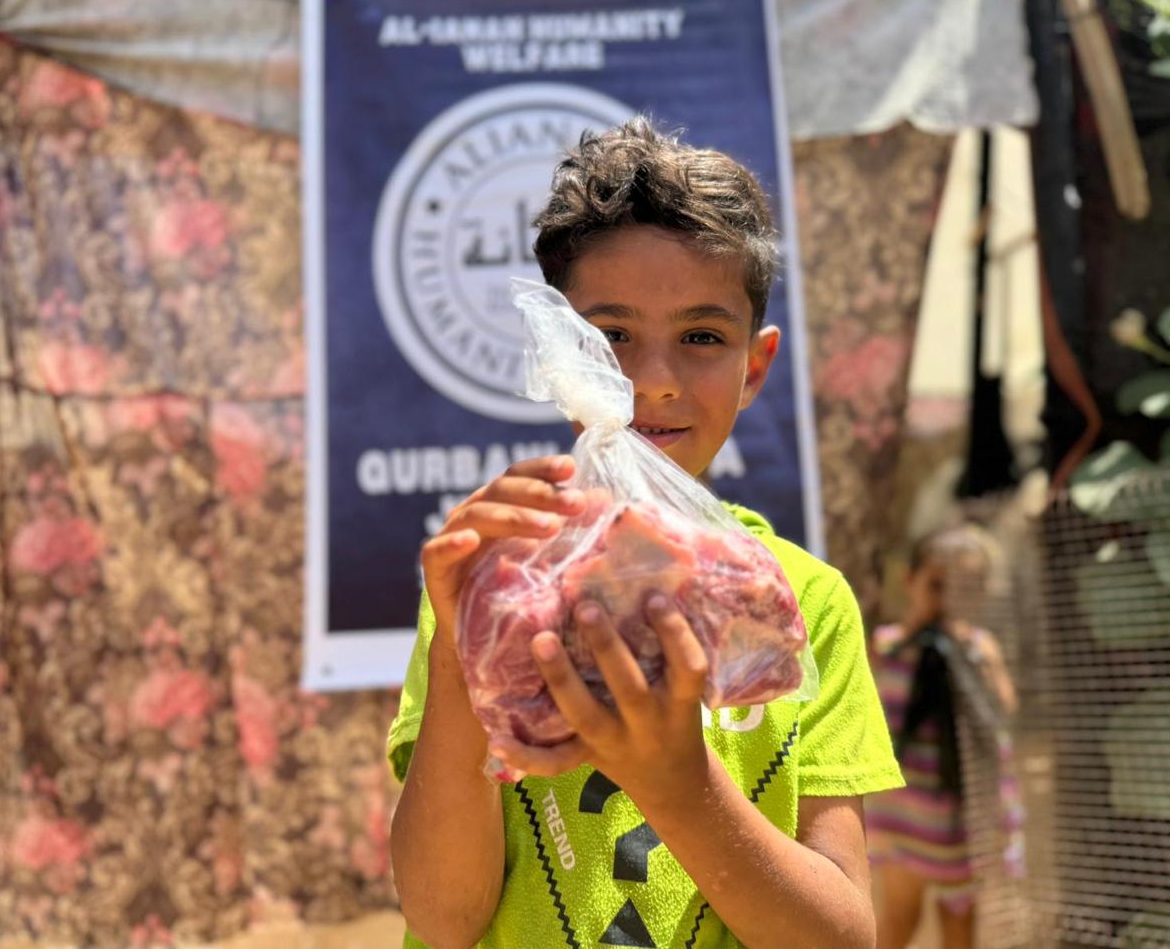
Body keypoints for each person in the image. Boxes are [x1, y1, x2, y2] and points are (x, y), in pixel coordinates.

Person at [388, 117, 904, 949]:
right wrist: (461, 644)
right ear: (559, 350)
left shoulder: (802, 604)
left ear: (755, 366)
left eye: (702, 337)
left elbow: (841, 939)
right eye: (612, 337)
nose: (654, 383)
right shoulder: (502, 578)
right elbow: (443, 917)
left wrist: (678, 785)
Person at [866, 525, 1019, 949]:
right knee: (899, 918)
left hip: (959, 817)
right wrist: (914, 631)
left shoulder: (981, 648)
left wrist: (974, 663)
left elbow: (1005, 709)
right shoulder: (885, 646)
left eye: (965, 588)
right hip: (902, 817)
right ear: (909, 581)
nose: (949, 598)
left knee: (959, 921)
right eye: (937, 586)